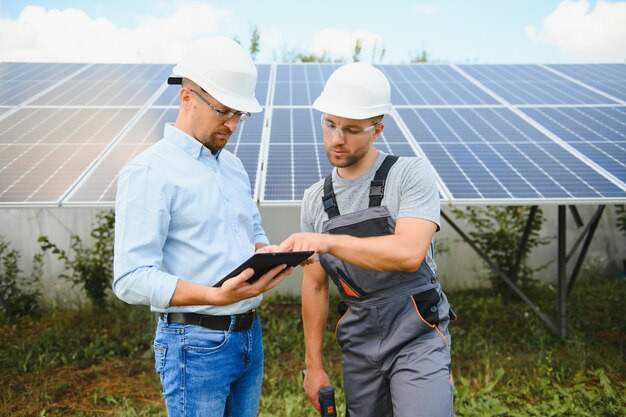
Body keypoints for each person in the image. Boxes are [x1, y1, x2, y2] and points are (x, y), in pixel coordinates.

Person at [113, 36, 293, 417]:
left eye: (239, 115)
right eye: (224, 111)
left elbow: (252, 235)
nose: (232, 125)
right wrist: (214, 297)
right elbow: (130, 278)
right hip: (193, 343)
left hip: (249, 336)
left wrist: (273, 254)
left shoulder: (233, 167)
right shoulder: (149, 171)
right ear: (187, 97)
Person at [278, 62, 455, 417]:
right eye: (330, 124)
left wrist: (327, 241)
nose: (336, 139)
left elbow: (408, 253)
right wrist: (313, 365)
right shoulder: (315, 199)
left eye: (351, 129)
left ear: (377, 130)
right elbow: (315, 287)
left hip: (415, 330)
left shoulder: (409, 174)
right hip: (359, 340)